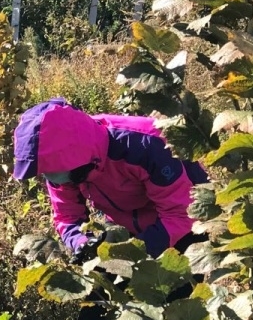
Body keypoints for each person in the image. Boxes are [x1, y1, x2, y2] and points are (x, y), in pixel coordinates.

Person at [12, 98, 209, 259]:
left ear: (78, 158)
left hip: (186, 218)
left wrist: (136, 254)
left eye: (49, 171)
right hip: (126, 222)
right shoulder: (59, 162)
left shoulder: (146, 146)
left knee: (179, 292)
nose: (48, 178)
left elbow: (182, 213)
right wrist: (82, 244)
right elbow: (67, 216)